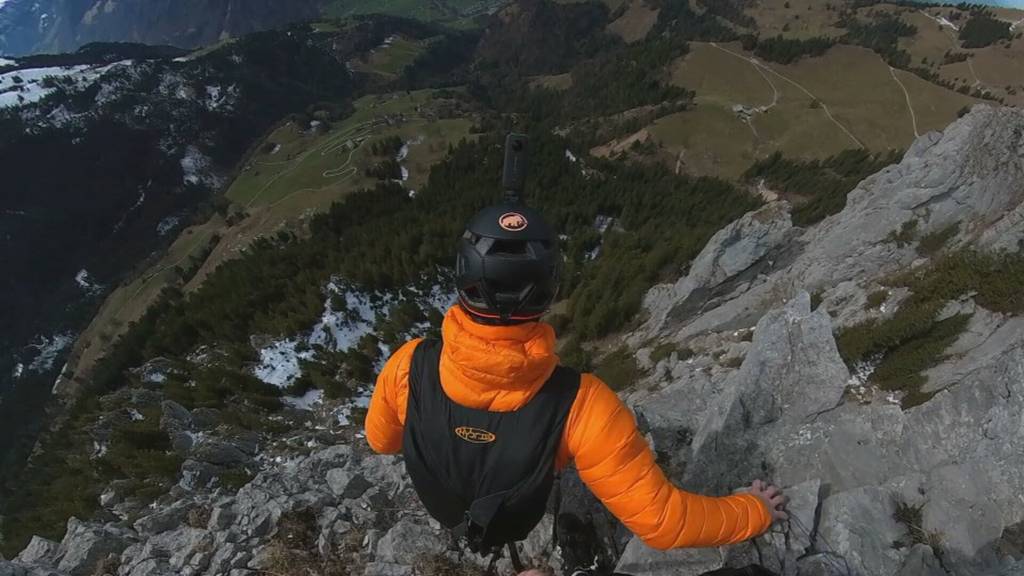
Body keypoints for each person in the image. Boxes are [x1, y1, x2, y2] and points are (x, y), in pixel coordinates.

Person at [364, 203, 788, 565]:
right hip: (515, 518)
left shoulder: (409, 364)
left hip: (445, 508)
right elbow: (663, 523)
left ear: (462, 281)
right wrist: (755, 510)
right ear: (549, 293)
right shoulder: (582, 402)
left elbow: (381, 442)